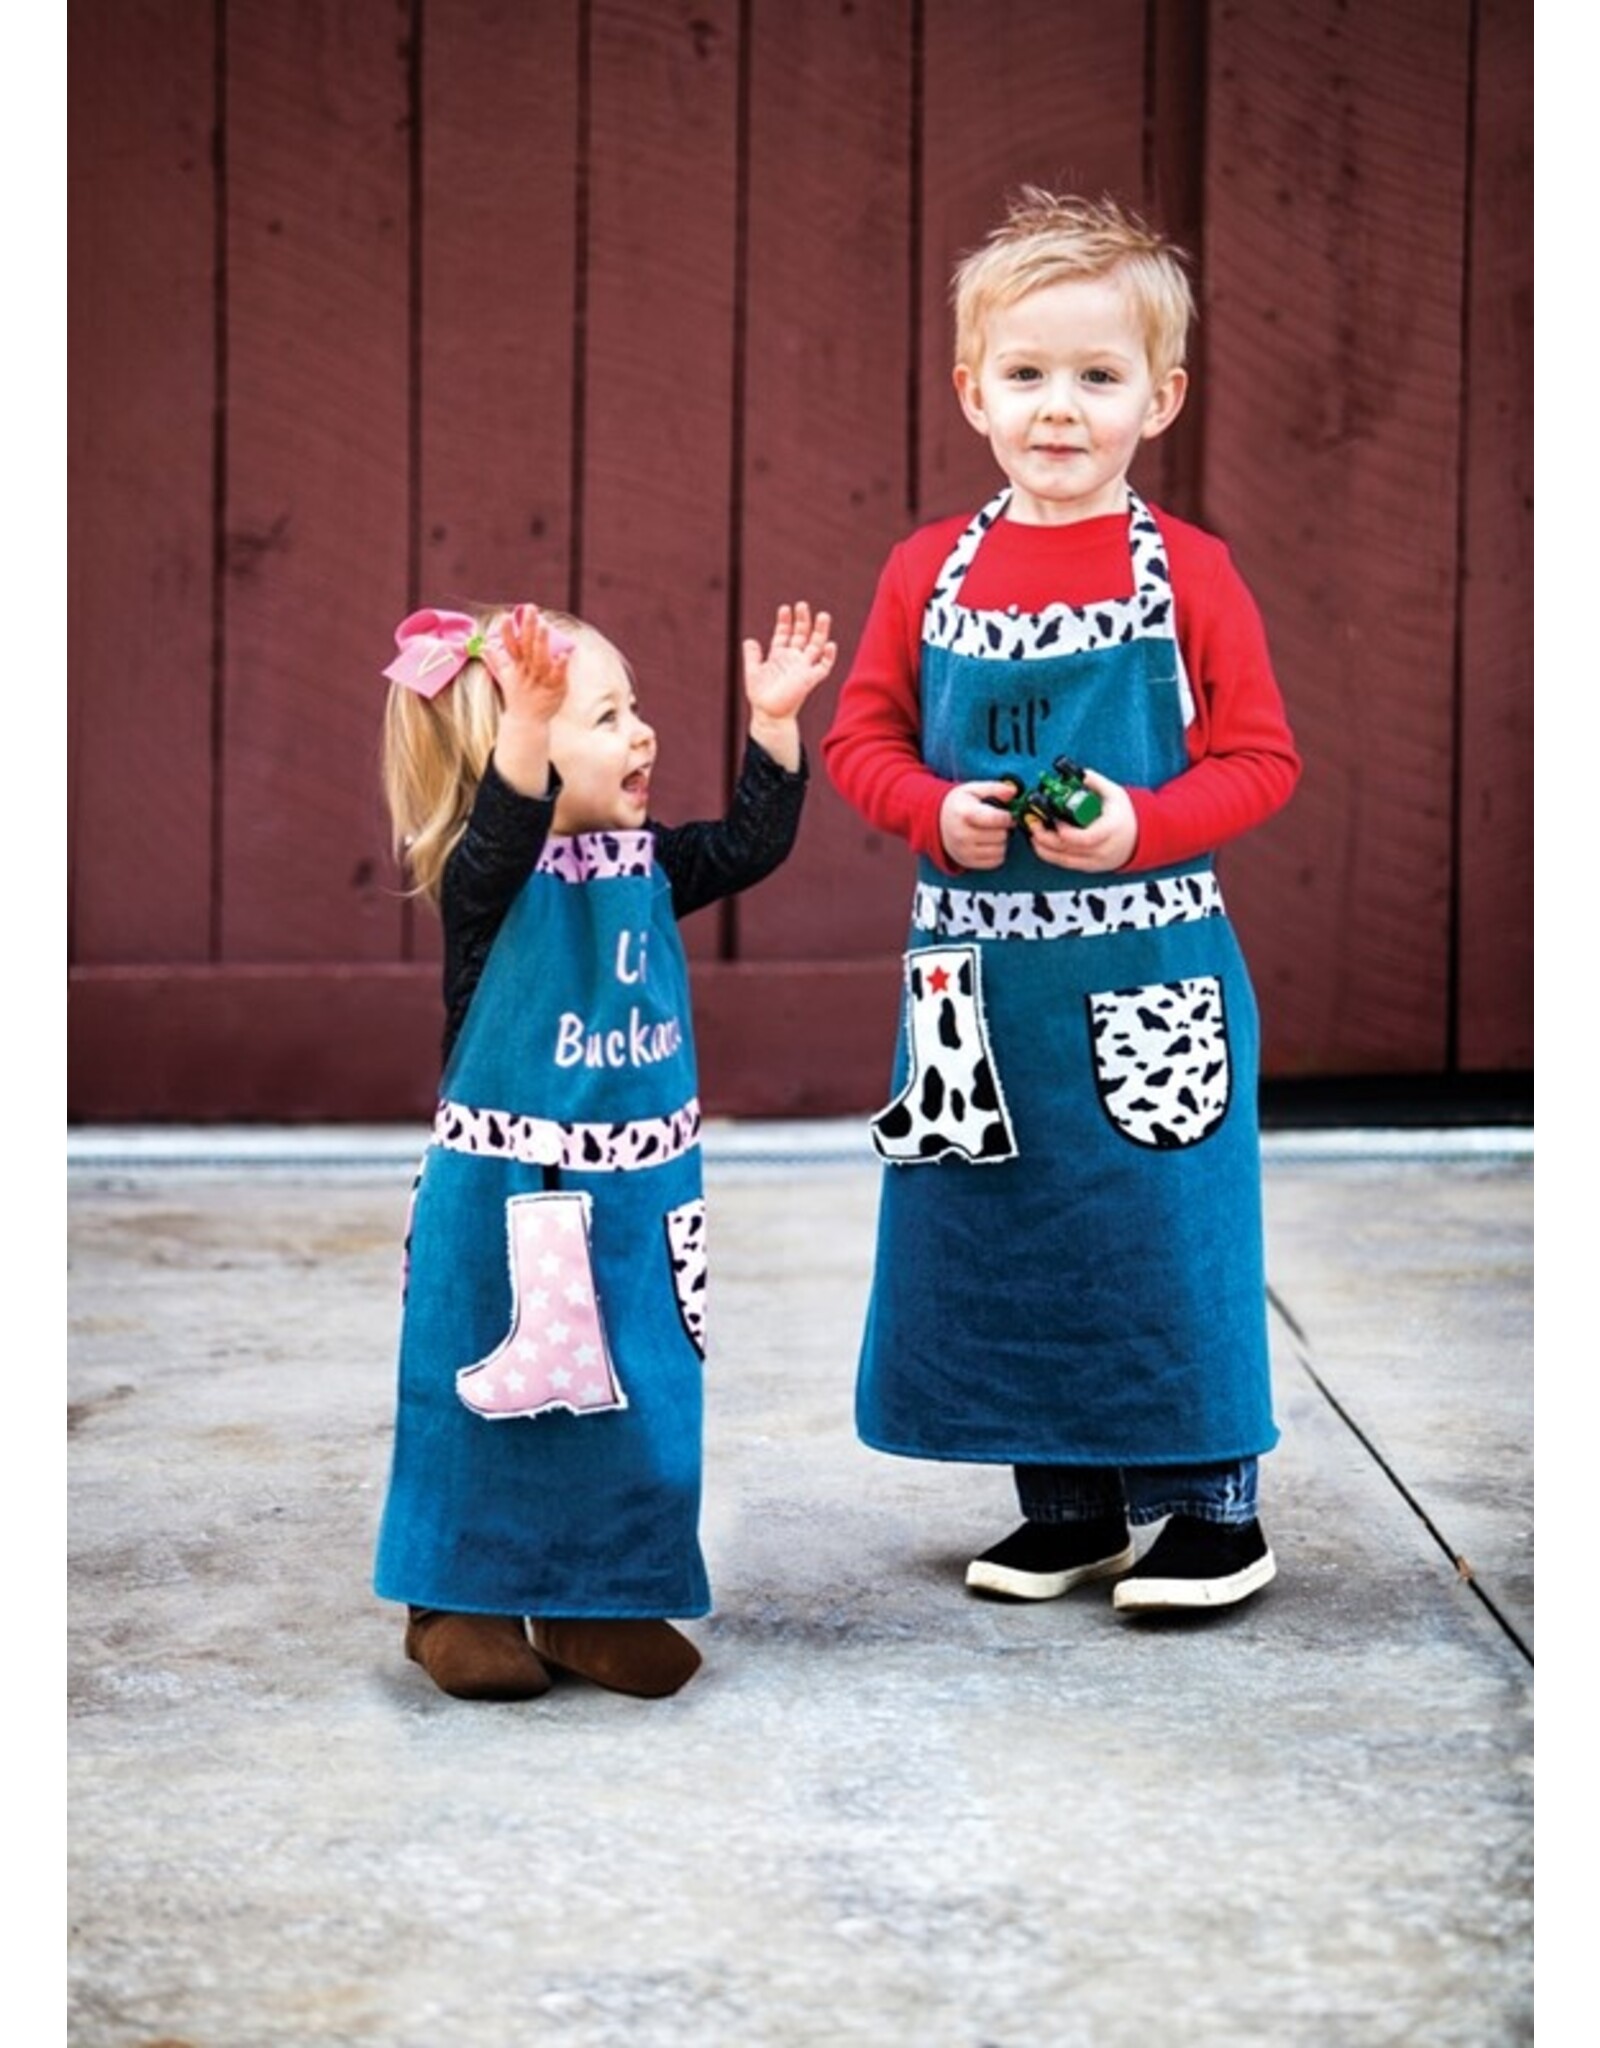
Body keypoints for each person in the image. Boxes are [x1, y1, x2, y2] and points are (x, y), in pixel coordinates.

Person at [822, 188, 1300, 1615]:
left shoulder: (1191, 575)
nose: (1059, 408)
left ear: (1162, 396)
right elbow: (862, 739)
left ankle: (1216, 1514)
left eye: (1098, 378)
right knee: (1009, 1232)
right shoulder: (927, 570)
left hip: (1150, 972)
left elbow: (1261, 760)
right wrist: (929, 808)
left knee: (1163, 1228)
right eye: (1027, 375)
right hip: (981, 990)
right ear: (973, 390)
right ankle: (1070, 1507)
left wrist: (1146, 824)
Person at [374, 595, 836, 1699]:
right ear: (515, 749)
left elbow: (748, 844)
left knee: (637, 1394)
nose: (642, 734)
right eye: (607, 717)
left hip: (634, 1196)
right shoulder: (482, 883)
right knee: (479, 1401)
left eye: (637, 709)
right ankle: (456, 1600)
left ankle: (600, 1600)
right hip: (502, 1203)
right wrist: (527, 734)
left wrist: (773, 726)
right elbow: (505, 826)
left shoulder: (649, 864)